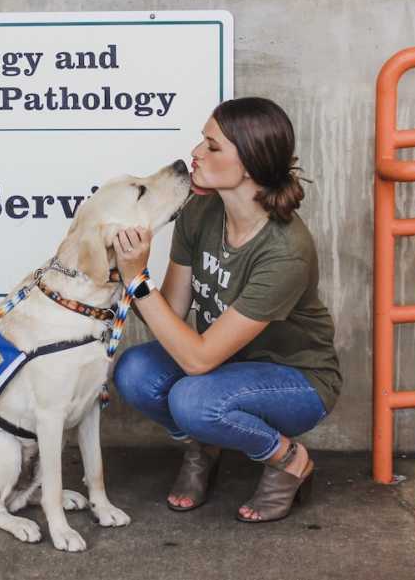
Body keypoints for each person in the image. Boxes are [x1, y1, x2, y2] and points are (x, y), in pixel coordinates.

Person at [111, 97, 342, 523]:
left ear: (250, 163)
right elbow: (172, 312)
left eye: (212, 146)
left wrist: (138, 281)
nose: (196, 153)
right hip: (223, 363)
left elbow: (197, 359)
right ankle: (205, 443)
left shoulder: (284, 251)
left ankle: (288, 459)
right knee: (134, 372)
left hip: (296, 379)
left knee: (193, 399)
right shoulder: (200, 211)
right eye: (202, 140)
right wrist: (120, 275)